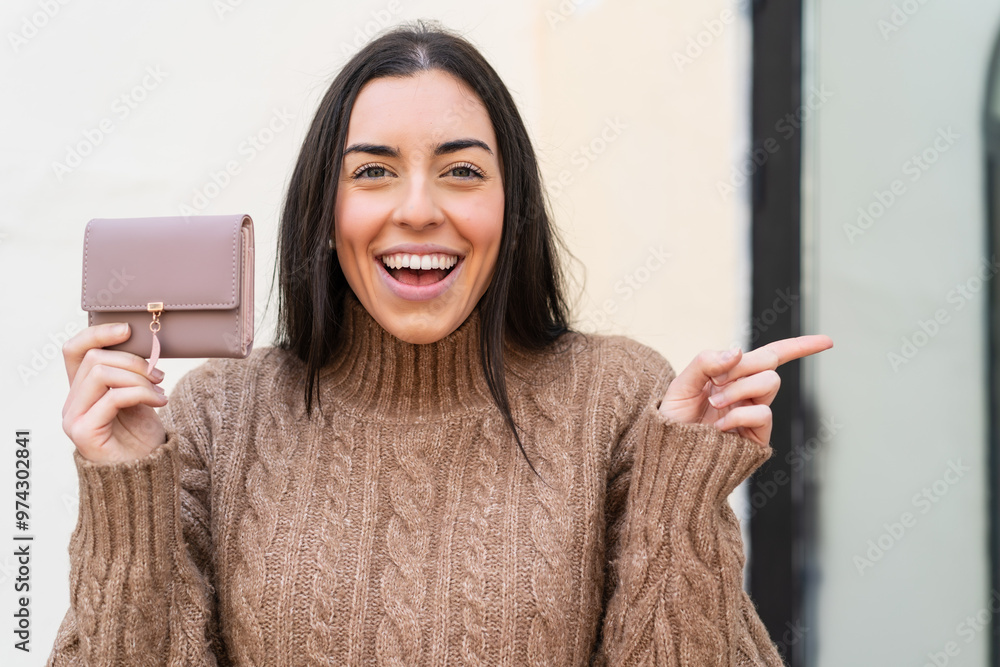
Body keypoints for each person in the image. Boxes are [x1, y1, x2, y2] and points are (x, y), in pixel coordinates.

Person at [49, 20, 832, 666]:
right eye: (374, 172)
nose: (419, 209)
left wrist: (682, 495)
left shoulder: (619, 397)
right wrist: (126, 486)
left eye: (461, 169)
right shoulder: (222, 413)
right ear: (325, 207)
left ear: (510, 203)